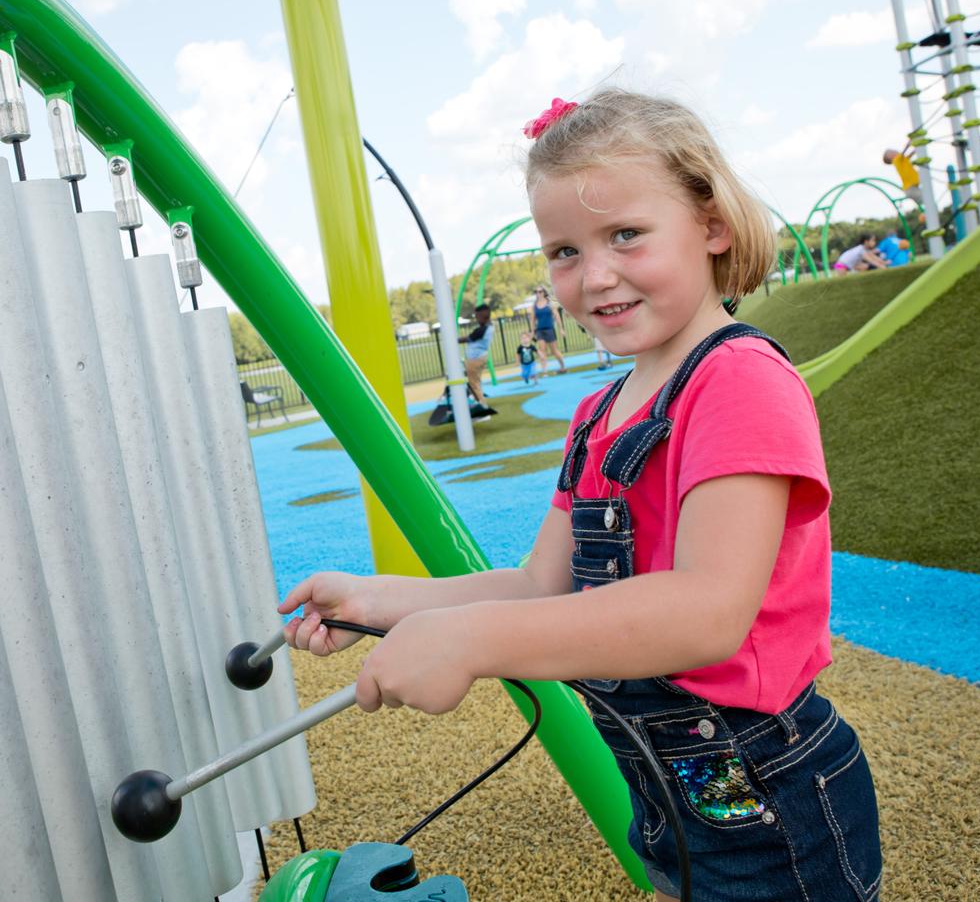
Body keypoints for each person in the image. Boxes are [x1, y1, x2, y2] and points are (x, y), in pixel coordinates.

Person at [279, 89, 881, 902]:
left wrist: (472, 643)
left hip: (766, 796)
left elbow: (707, 613)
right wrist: (388, 602)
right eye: (563, 251)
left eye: (626, 235)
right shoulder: (600, 413)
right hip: (668, 798)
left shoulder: (738, 381)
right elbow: (541, 585)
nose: (594, 276)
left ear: (711, 224)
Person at [529, 286, 570, 375]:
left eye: (540, 292)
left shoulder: (549, 303)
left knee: (554, 351)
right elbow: (532, 319)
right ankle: (545, 371)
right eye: (536, 292)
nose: (538, 294)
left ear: (544, 292)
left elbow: (557, 316)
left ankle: (563, 366)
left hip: (550, 329)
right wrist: (532, 332)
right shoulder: (534, 305)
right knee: (542, 350)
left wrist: (561, 329)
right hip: (540, 330)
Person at [461, 303, 494, 402]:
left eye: (477, 316)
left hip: (475, 358)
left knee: (474, 384)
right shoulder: (489, 327)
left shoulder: (482, 330)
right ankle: (477, 401)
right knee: (475, 383)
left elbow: (468, 338)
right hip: (480, 357)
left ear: (482, 317)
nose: (476, 319)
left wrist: (452, 340)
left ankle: (482, 407)